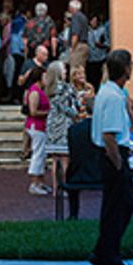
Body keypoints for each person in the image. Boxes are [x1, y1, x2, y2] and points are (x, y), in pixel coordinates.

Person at [90, 49, 133, 265]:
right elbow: (110, 136)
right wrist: (118, 164)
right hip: (113, 156)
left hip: (109, 156)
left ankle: (102, 251)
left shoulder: (106, 92)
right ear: (126, 69)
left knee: (115, 207)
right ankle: (110, 257)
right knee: (119, 208)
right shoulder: (114, 97)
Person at [45, 60, 82, 197]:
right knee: (65, 159)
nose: (66, 72)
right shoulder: (66, 88)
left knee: (55, 160)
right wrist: (77, 113)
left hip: (52, 124)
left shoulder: (50, 88)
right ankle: (65, 187)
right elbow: (69, 107)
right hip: (64, 124)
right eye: (63, 69)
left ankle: (56, 188)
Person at [24, 65, 50, 195]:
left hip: (42, 126)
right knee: (38, 154)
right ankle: (34, 182)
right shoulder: (34, 91)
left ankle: (40, 182)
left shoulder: (41, 90)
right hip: (36, 126)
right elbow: (33, 111)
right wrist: (48, 112)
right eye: (45, 76)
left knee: (42, 154)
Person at [3, 5, 27, 103]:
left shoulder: (14, 22)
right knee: (18, 73)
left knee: (13, 73)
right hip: (19, 51)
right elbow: (20, 37)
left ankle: (13, 95)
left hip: (13, 50)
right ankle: (17, 96)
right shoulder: (22, 22)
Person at [86, 13, 111, 87]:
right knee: (91, 77)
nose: (94, 23)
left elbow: (108, 43)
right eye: (93, 21)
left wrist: (101, 45)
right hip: (90, 58)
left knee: (99, 77)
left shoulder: (102, 30)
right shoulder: (87, 31)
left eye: (95, 21)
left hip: (100, 57)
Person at [67, 0, 89, 74]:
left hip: (78, 46)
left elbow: (75, 34)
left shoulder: (76, 16)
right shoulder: (83, 17)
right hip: (84, 45)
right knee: (81, 70)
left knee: (75, 72)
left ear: (72, 8)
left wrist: (72, 48)